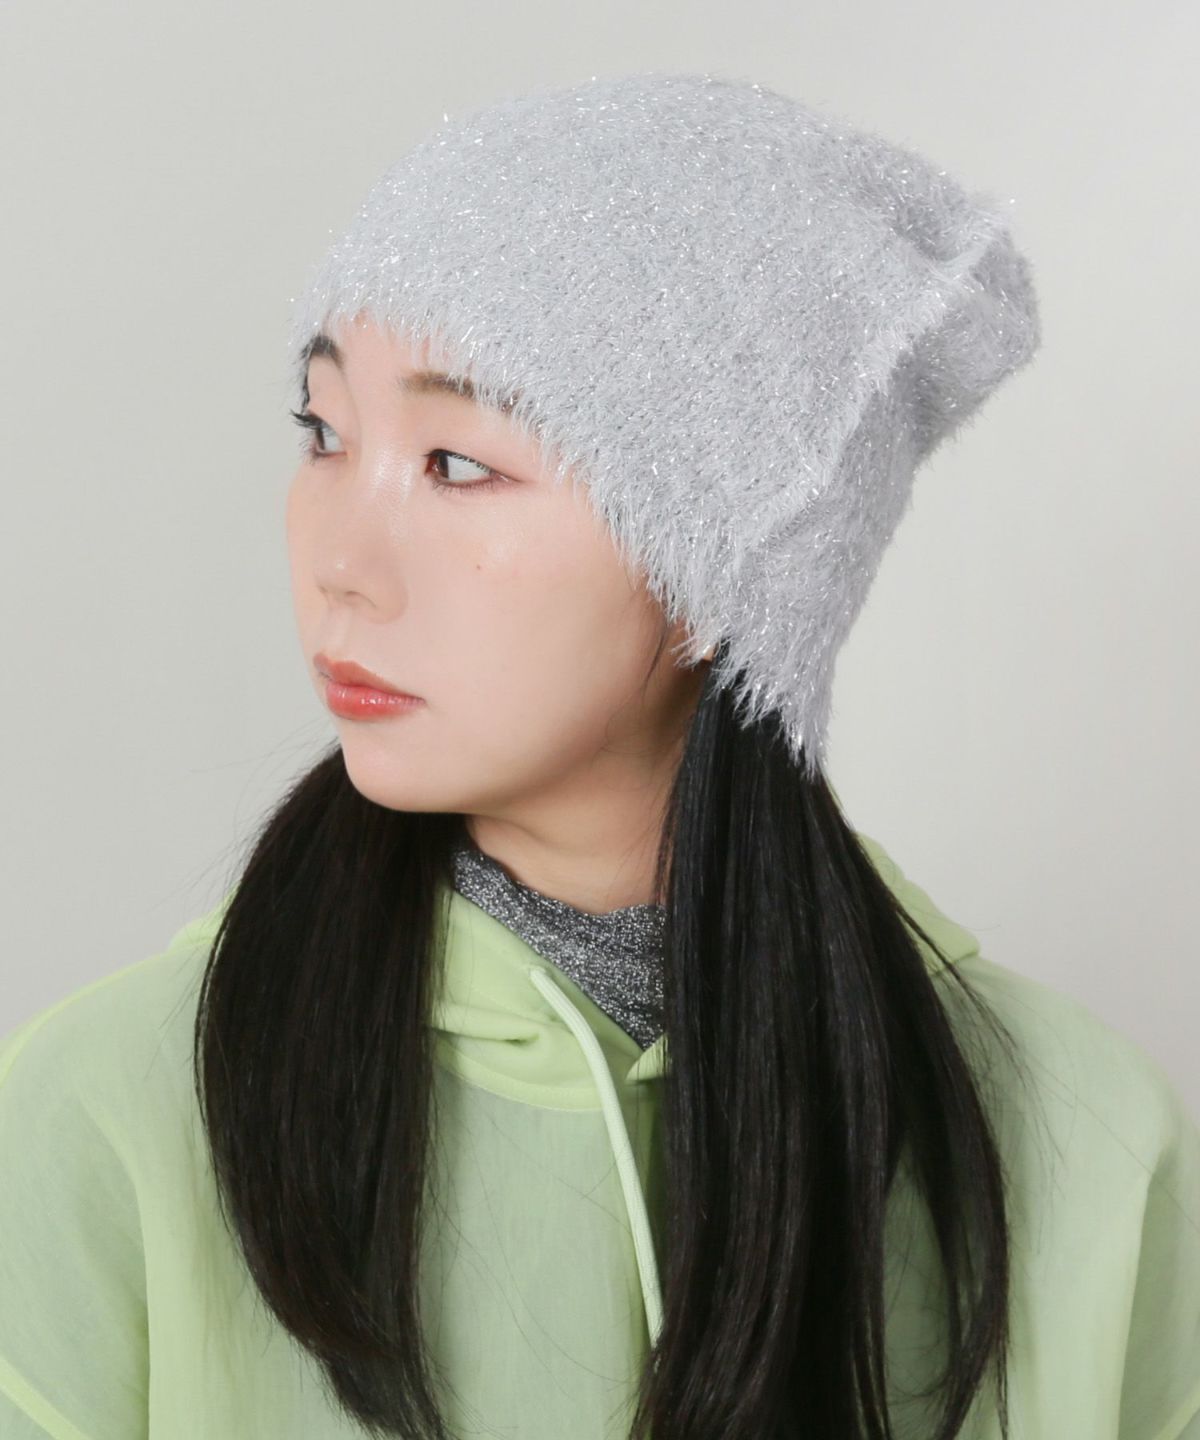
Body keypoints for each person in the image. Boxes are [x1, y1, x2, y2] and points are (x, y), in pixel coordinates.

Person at [1, 70, 1197, 1440]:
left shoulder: (1084, 1152)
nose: (340, 564)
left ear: (726, 567)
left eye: (457, 463)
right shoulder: (109, 1117)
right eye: (323, 433)